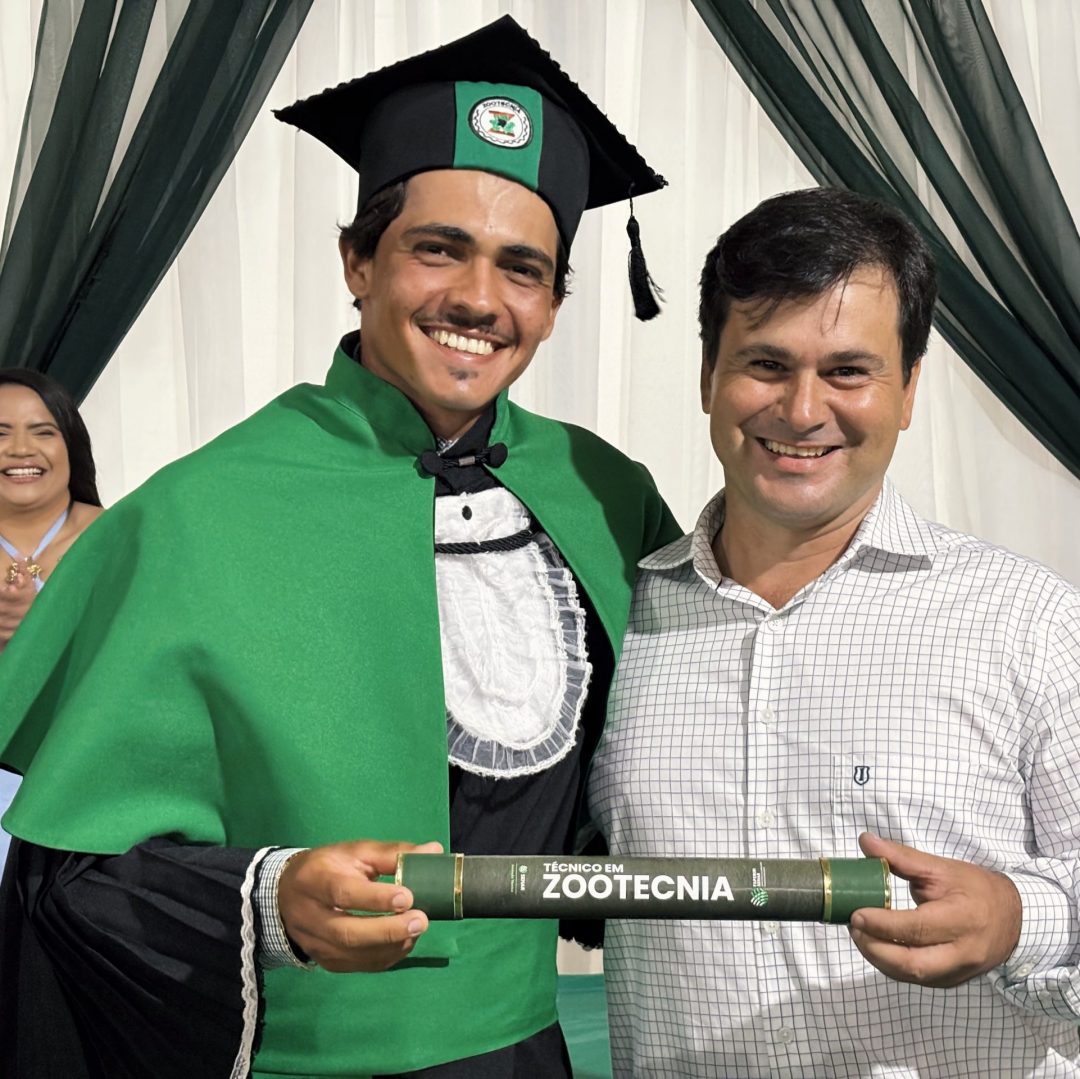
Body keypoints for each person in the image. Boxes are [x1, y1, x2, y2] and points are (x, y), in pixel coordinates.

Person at [0, 16, 678, 1079]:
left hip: (531, 1051)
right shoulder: (195, 514)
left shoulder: (605, 494)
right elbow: (77, 878)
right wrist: (273, 899)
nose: (478, 298)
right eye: (438, 248)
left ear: (553, 305)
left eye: (523, 268)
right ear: (358, 259)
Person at [588, 187, 1080, 1077]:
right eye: (766, 364)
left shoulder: (1030, 621)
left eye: (849, 370)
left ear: (908, 389)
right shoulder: (620, 617)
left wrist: (1016, 916)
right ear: (707, 376)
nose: (803, 409)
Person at [0, 369, 103, 867]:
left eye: (42, 432)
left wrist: (48, 634)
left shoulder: (116, 536)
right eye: (0, 434)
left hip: (84, 772)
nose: (21, 450)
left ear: (71, 446)